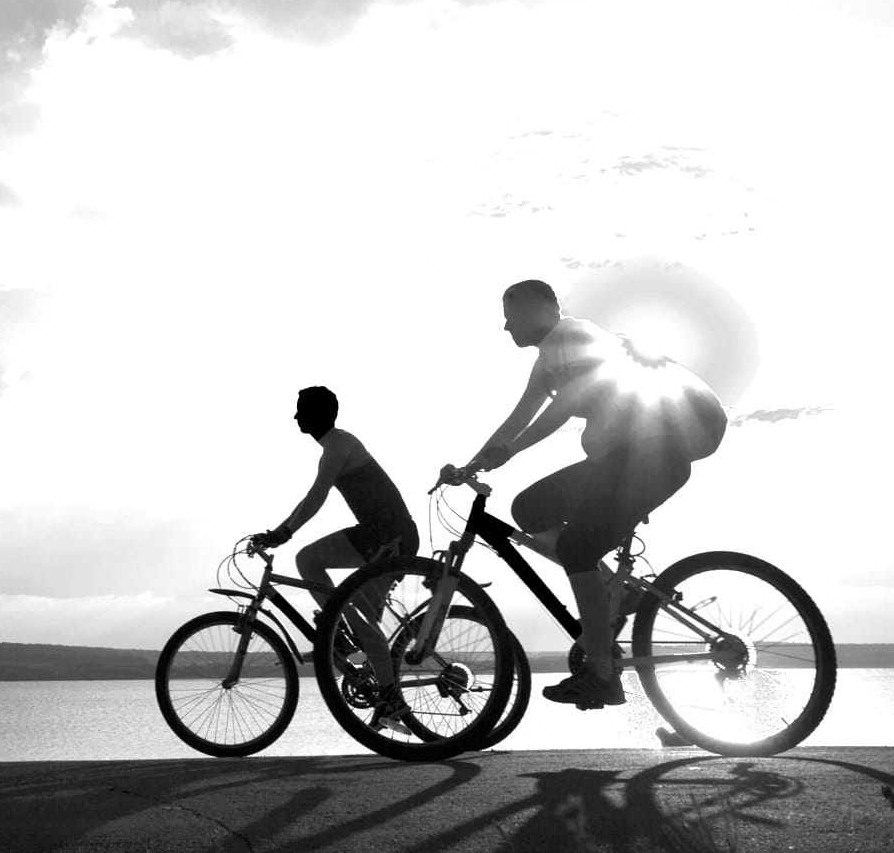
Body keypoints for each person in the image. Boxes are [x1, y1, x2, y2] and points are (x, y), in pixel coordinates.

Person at [466, 279, 728, 708]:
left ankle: (602, 673)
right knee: (530, 508)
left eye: (511, 316)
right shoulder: (552, 355)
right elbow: (520, 415)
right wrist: (475, 462)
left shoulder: (572, 337)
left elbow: (564, 405)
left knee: (577, 547)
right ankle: (618, 592)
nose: (507, 326)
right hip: (631, 457)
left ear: (541, 311)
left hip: (652, 455)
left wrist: (509, 453)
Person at [254, 385, 419, 727]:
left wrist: (282, 533)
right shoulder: (334, 445)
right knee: (356, 623)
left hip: (390, 537)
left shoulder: (339, 445)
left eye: (302, 409)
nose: (296, 416)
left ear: (319, 414)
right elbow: (310, 498)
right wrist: (281, 530)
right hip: (379, 534)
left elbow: (316, 497)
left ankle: (390, 699)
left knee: (322, 575)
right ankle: (353, 653)